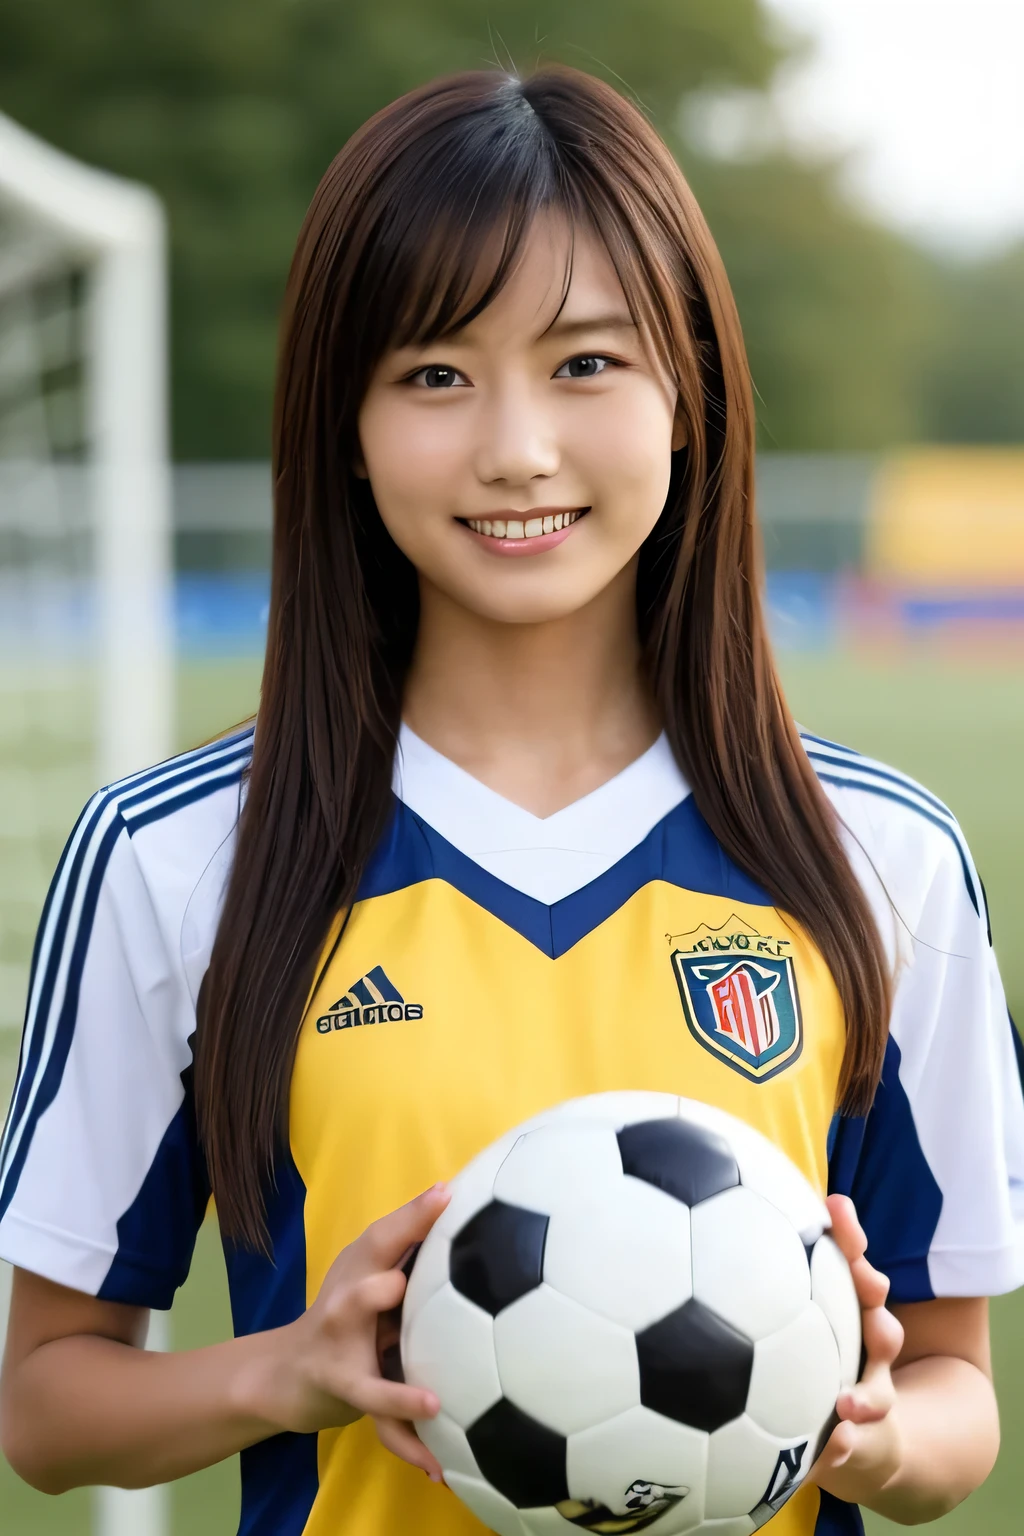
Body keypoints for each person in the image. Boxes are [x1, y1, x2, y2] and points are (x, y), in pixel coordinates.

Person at [1, 66, 1021, 1536]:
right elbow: (46, 1402)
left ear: (691, 398)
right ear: (342, 422)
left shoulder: (881, 859)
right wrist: (286, 1374)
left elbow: (955, 1397)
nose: (516, 448)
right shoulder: (176, 857)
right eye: (434, 375)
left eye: (587, 363)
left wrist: (855, 1426)